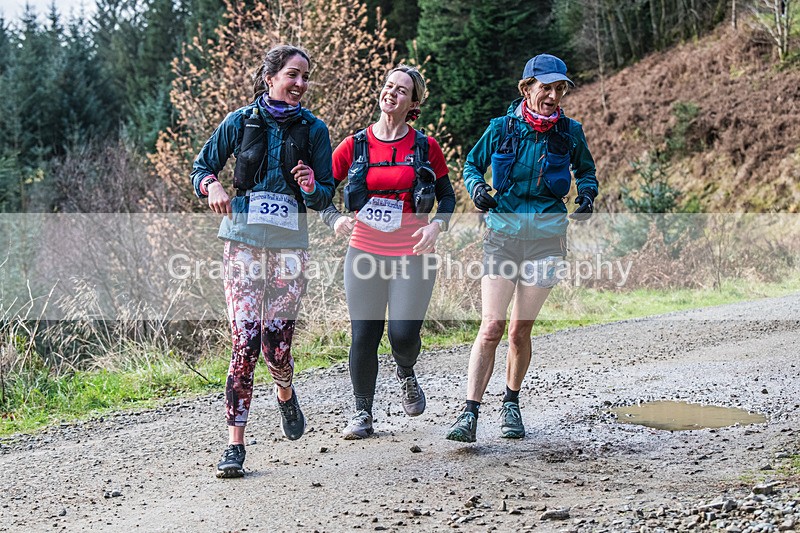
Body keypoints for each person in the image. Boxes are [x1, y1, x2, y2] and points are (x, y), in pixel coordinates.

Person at [191, 45, 334, 477]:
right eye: (293, 74)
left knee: (276, 344)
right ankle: (235, 445)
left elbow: (325, 195)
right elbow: (202, 167)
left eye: (305, 76)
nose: (301, 83)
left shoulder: (315, 130)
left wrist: (311, 186)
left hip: (290, 248)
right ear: (270, 78)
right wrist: (213, 186)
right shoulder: (240, 121)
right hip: (243, 243)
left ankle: (285, 392)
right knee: (246, 342)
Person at [445, 54, 598, 443]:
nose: (553, 96)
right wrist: (477, 188)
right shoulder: (501, 128)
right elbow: (471, 165)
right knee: (492, 326)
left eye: (559, 89)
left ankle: (510, 403)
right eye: (545, 88)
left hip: (547, 240)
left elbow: (586, 171)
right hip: (503, 237)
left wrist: (587, 195)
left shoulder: (570, 131)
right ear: (526, 88)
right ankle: (469, 412)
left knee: (519, 330)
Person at [320, 65, 455, 439]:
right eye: (388, 86)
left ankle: (406, 371)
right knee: (364, 333)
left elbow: (447, 197)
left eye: (401, 90)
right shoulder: (354, 145)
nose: (391, 93)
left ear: (413, 103)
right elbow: (321, 191)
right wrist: (334, 218)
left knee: (402, 335)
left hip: (413, 253)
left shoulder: (426, 147)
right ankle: (362, 412)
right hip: (364, 252)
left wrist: (436, 226)